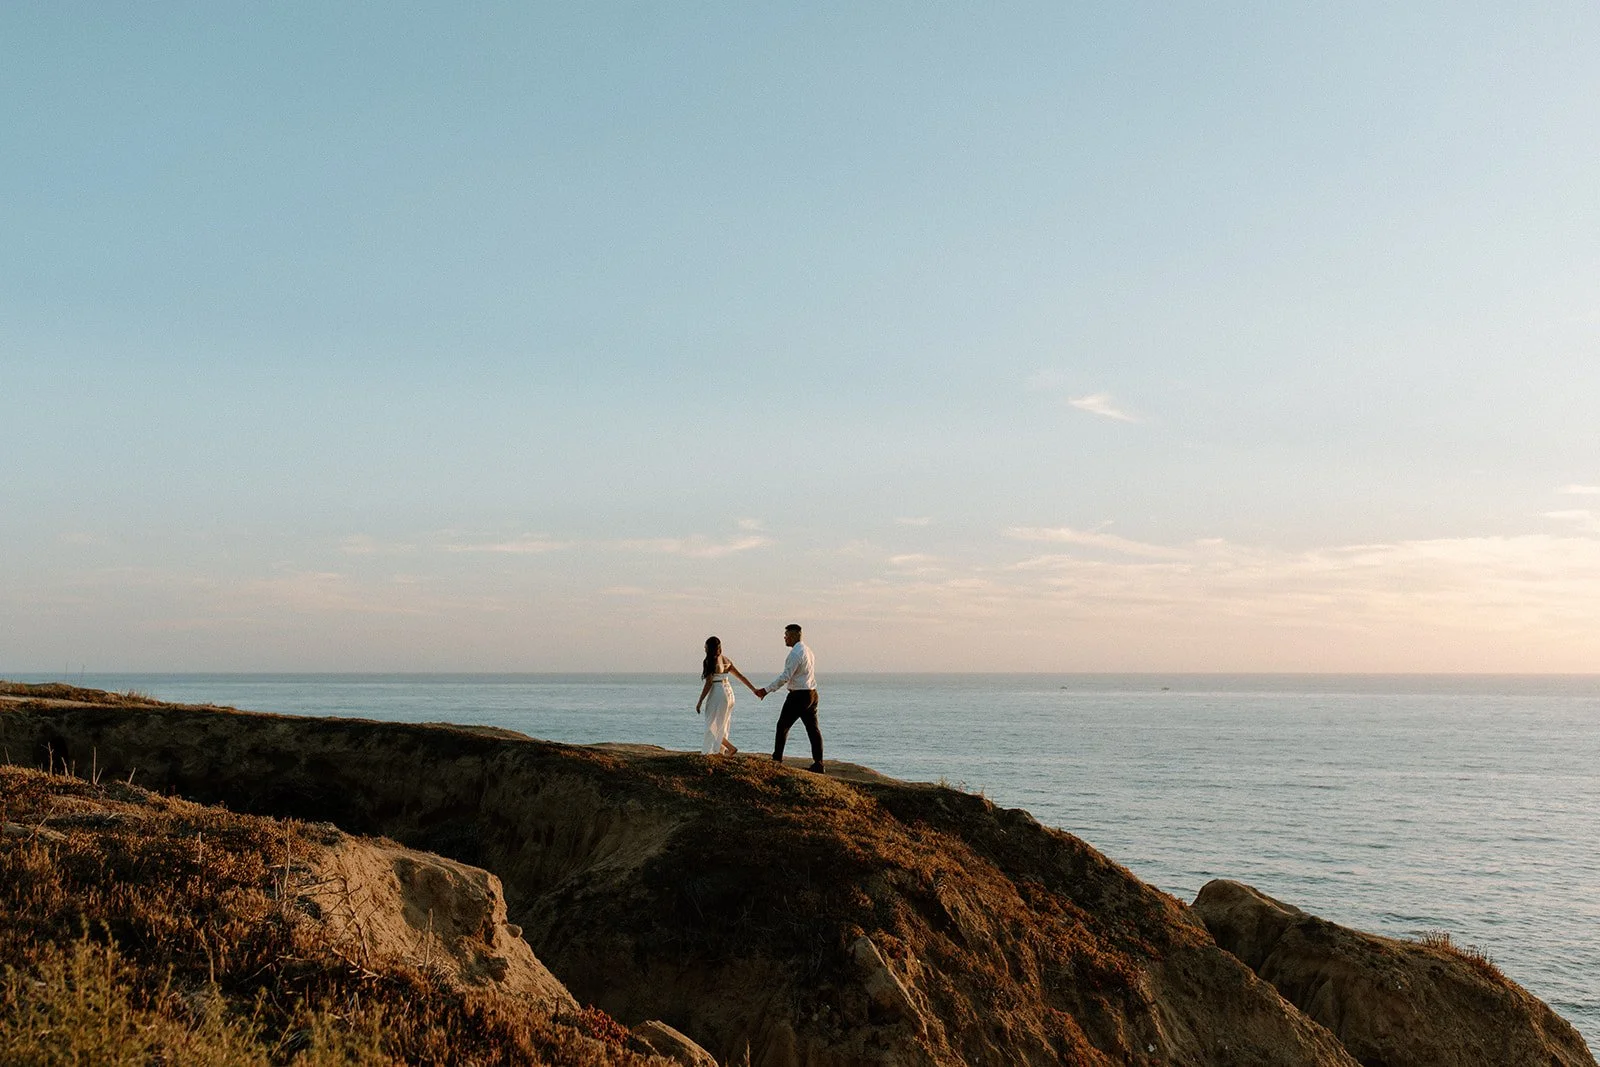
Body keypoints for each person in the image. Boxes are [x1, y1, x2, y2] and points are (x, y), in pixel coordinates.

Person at [755, 623, 822, 773]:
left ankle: (777, 759)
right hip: (811, 693)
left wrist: (766, 690)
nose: (784, 638)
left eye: (786, 635)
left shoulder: (795, 654)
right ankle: (819, 763)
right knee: (813, 729)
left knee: (782, 726)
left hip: (799, 695)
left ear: (792, 636)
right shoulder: (808, 651)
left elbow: (785, 677)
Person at [695, 636, 758, 756]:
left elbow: (709, 683)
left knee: (711, 723)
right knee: (722, 724)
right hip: (729, 692)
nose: (704, 648)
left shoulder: (709, 661)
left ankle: (729, 747)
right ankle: (721, 750)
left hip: (718, 692)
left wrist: (700, 701)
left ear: (709, 648)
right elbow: (740, 676)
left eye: (706, 646)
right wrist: (753, 689)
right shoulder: (726, 660)